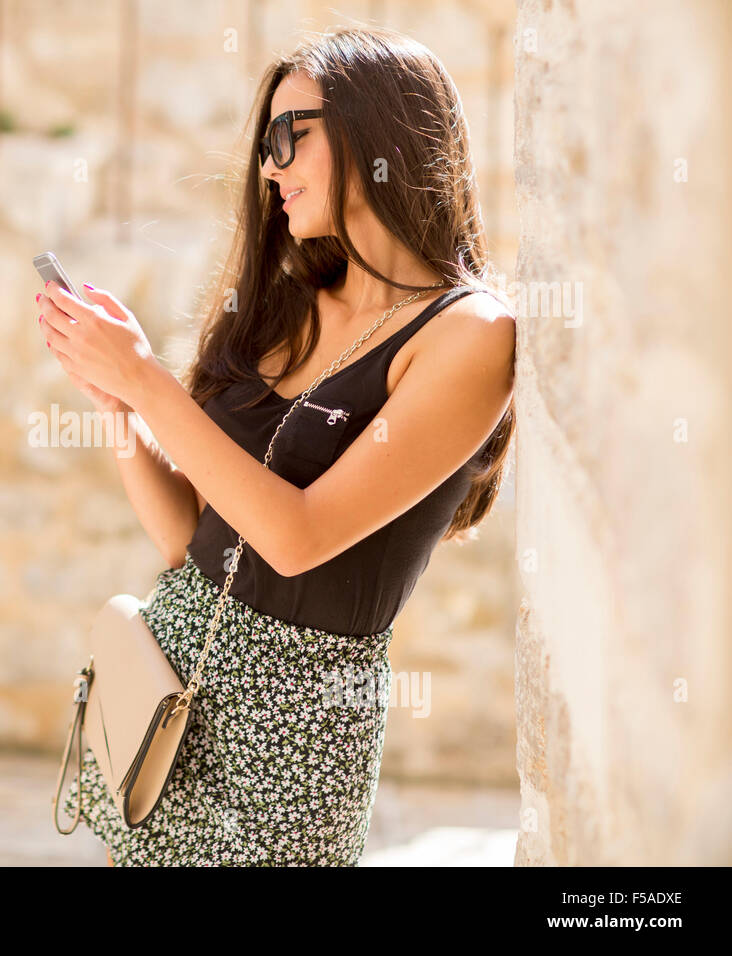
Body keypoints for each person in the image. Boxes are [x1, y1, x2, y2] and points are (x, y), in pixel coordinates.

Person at [39, 25, 516, 866]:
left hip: (293, 733)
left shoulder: (469, 333)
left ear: (377, 133)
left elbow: (297, 539)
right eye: (265, 142)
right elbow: (191, 534)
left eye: (287, 135)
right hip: (168, 694)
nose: (269, 166)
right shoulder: (295, 297)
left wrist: (148, 379)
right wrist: (119, 405)